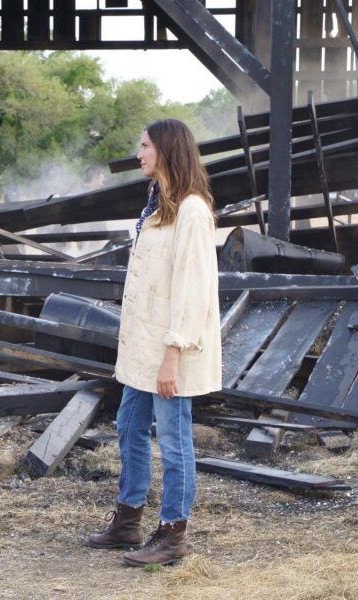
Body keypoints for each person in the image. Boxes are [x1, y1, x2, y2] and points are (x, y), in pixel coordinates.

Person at [87, 118, 222, 567]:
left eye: (144, 145)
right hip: (144, 349)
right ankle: (128, 521)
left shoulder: (192, 211)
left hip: (171, 351)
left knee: (174, 437)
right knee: (129, 426)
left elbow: (192, 289)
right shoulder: (157, 205)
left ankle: (172, 534)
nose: (139, 153)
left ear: (165, 150)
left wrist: (173, 354)